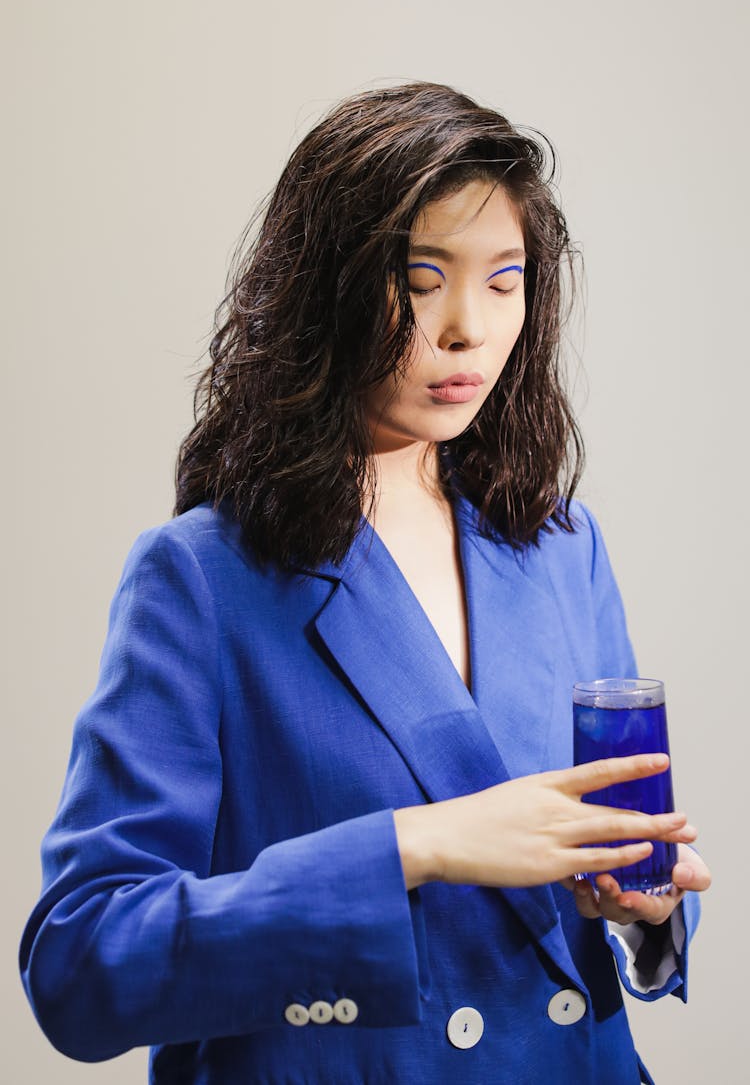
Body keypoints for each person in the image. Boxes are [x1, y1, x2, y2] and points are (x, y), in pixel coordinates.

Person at [20, 82, 710, 1084]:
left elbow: (620, 851)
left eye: (505, 280)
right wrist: (410, 847)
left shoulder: (563, 546)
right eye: (423, 279)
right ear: (328, 288)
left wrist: (645, 906)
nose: (469, 326)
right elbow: (83, 965)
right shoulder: (203, 579)